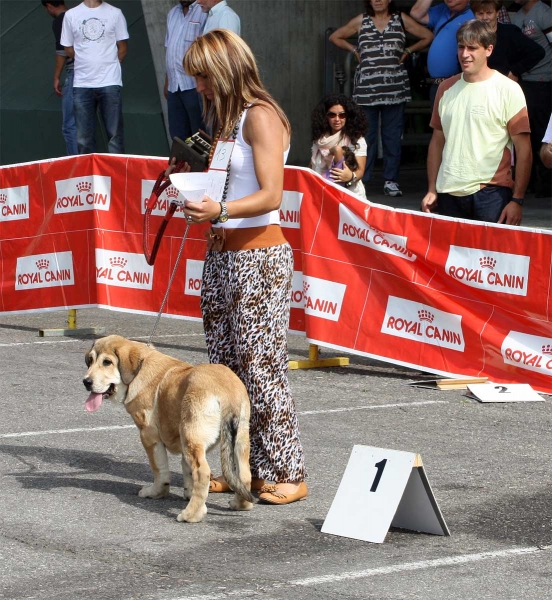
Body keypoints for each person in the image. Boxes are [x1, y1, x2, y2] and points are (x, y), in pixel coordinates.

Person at [179, 29, 307, 504]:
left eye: (204, 77)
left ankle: (287, 471)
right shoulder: (226, 121)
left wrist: (223, 212)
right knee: (224, 372)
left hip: (259, 257)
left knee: (260, 368)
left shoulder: (261, 115)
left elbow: (272, 194)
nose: (199, 87)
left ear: (226, 68)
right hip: (223, 253)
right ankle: (239, 470)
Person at [421, 20, 532, 225]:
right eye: (461, 47)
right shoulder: (445, 88)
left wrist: (517, 199)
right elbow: (437, 142)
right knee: (450, 257)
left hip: (492, 192)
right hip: (448, 191)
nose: (464, 54)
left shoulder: (508, 89)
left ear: (489, 49)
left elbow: (523, 149)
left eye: (472, 48)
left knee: (490, 258)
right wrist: (431, 189)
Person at [330, 0, 433, 197]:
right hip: (366, 91)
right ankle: (361, 179)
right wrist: (354, 50)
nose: (377, 0)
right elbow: (336, 37)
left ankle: (391, 180)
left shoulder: (400, 19)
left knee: (392, 137)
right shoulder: (362, 20)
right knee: (364, 137)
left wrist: (409, 51)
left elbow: (427, 36)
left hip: (394, 91)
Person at [61, 0, 129, 154]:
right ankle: (89, 176)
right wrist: (85, 60)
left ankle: (117, 175)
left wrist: (110, 65)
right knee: (83, 138)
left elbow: (123, 47)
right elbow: (67, 46)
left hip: (110, 81)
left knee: (115, 136)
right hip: (82, 83)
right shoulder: (71, 15)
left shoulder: (115, 13)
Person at [511, 0, 552, 198]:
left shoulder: (545, 13)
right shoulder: (518, 15)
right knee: (527, 131)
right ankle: (531, 181)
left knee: (543, 134)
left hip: (544, 81)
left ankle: (546, 183)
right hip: (524, 81)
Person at [410, 0, 474, 109]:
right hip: (437, 85)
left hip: (460, 84)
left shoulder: (475, 13)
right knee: (437, 125)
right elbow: (416, 13)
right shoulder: (443, 9)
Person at [310, 94, 368, 198]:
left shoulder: (357, 139)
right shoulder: (319, 140)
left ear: (348, 116)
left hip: (350, 195)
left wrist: (350, 176)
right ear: (325, 116)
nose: (337, 119)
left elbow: (360, 171)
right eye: (332, 115)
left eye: (342, 115)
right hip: (321, 193)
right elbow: (311, 167)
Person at [164, 1, 207, 141]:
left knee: (199, 136)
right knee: (178, 137)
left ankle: (203, 163)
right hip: (174, 88)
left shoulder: (203, 11)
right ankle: (182, 163)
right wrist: (167, 81)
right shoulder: (172, 14)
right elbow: (169, 50)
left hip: (195, 87)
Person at [472, 0, 545, 79]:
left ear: (497, 13)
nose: (485, 17)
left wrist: (514, 71)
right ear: (475, 15)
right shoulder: (472, 35)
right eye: (480, 14)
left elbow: (537, 52)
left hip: (505, 84)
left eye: (489, 13)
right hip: (479, 84)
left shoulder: (510, 32)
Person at [42, 0, 78, 156]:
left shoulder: (60, 21)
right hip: (95, 75)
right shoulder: (78, 16)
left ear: (49, 6)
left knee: (70, 125)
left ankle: (77, 165)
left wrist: (56, 77)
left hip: (75, 74)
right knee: (86, 125)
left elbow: (62, 52)